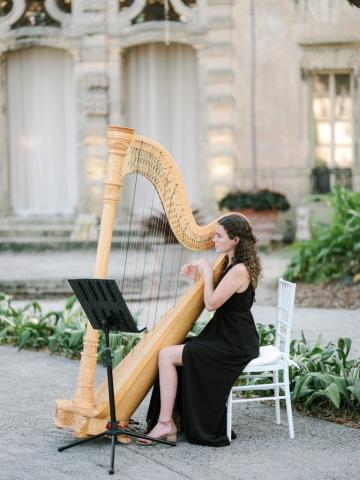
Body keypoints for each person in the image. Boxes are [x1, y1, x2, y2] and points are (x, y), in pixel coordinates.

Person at [137, 213, 261, 447]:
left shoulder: (239, 270)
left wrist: (205, 272)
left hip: (234, 343)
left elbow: (212, 304)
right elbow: (219, 300)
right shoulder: (231, 263)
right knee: (179, 347)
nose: (213, 239)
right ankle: (169, 421)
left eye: (218, 235)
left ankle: (165, 423)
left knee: (166, 355)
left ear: (235, 240)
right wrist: (198, 278)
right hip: (226, 334)